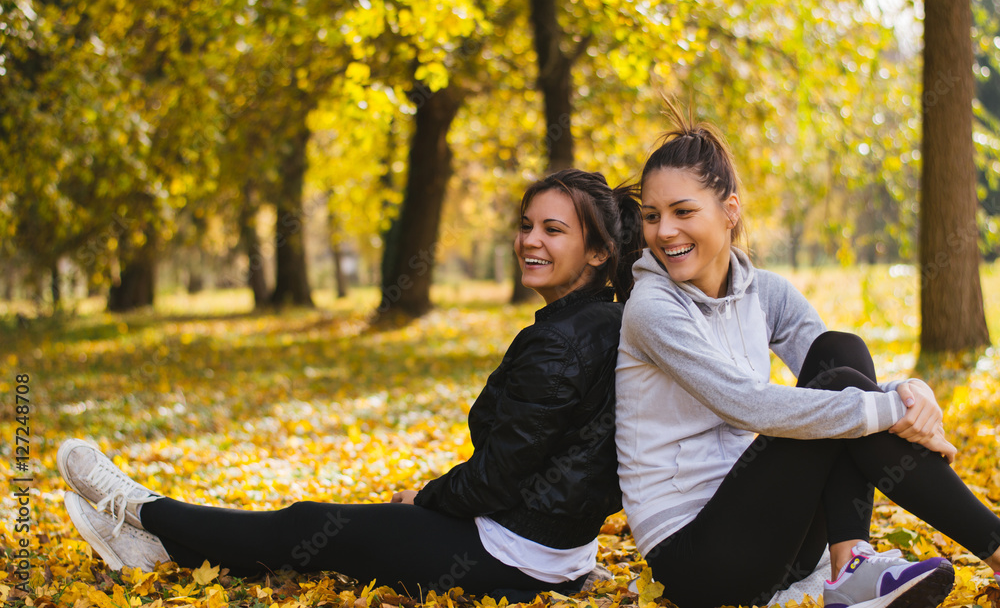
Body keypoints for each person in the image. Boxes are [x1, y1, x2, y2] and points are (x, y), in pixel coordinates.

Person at [58, 168, 643, 600]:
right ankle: (161, 548)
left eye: (553, 230)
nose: (530, 240)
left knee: (310, 524)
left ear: (597, 251)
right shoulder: (602, 322)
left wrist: (425, 499)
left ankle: (138, 509)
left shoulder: (561, 342)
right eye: (525, 225)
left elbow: (495, 478)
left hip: (515, 558)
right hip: (552, 548)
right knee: (324, 536)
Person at [613, 100, 1000, 608]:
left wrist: (911, 392)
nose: (664, 231)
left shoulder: (764, 292)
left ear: (730, 211)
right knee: (845, 399)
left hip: (772, 532)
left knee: (841, 349)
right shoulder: (651, 308)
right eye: (652, 216)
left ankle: (850, 563)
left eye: (684, 212)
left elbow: (840, 375)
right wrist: (897, 409)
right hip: (698, 560)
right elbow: (747, 404)